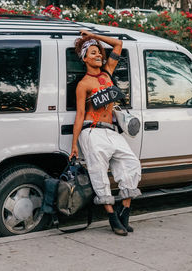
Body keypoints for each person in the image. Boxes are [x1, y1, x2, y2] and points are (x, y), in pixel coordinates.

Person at [69, 30, 141, 236]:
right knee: (98, 172)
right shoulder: (83, 85)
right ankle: (112, 217)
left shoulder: (108, 72)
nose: (99, 55)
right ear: (84, 58)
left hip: (111, 131)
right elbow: (80, 115)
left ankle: (124, 211)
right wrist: (74, 144)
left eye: (99, 52)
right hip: (92, 132)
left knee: (131, 164)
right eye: (93, 53)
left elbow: (118, 45)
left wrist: (95, 37)